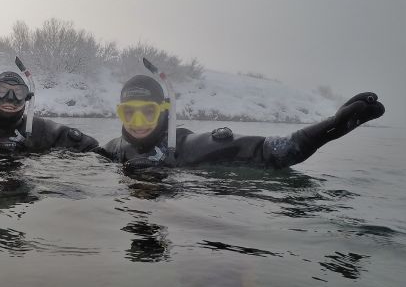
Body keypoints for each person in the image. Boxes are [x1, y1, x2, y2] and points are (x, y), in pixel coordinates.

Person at [102, 73, 385, 171]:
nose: (137, 122)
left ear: (164, 111)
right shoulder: (114, 150)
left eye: (147, 112)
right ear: (119, 113)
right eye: (129, 113)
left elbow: (266, 151)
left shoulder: (187, 147)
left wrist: (326, 130)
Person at [0, 70, 100, 154]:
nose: (10, 98)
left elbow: (92, 148)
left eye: (19, 93)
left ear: (26, 98)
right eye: (3, 91)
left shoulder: (42, 129)